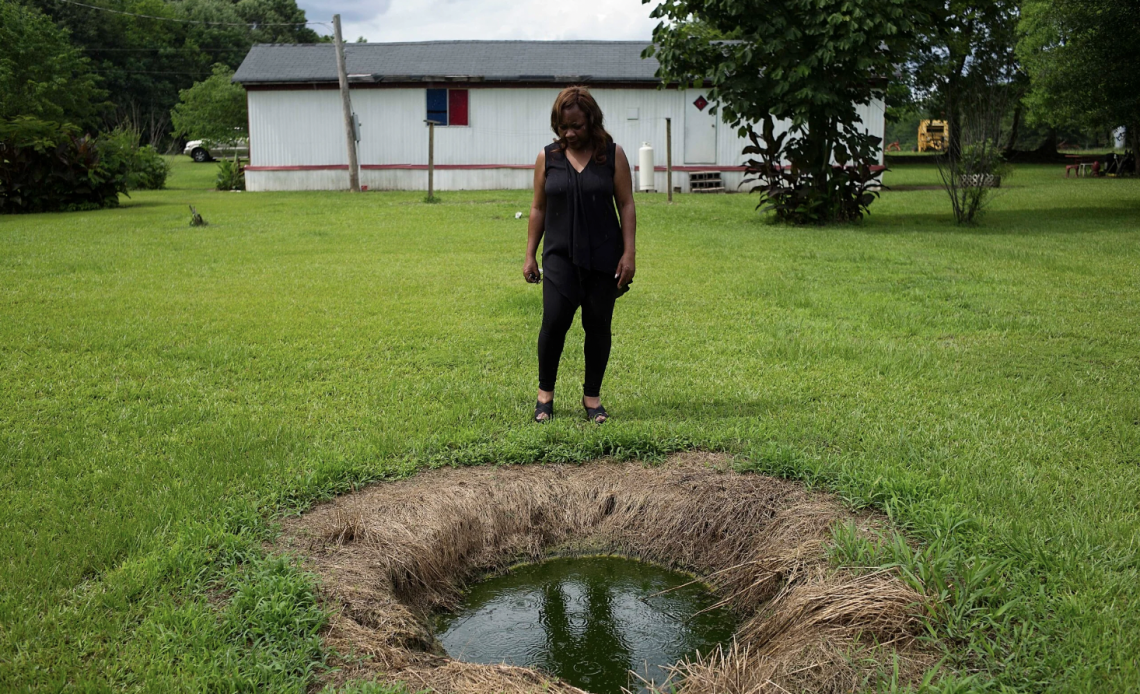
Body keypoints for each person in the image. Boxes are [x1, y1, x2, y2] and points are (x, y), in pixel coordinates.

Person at [523, 86, 636, 424]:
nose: (569, 133)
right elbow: (538, 208)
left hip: (604, 257)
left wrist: (629, 253)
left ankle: (592, 398)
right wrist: (530, 254)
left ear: (592, 121)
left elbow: (627, 204)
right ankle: (545, 397)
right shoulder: (548, 157)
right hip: (559, 257)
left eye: (577, 126)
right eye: (563, 127)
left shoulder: (612, 155)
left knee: (598, 326)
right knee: (554, 323)